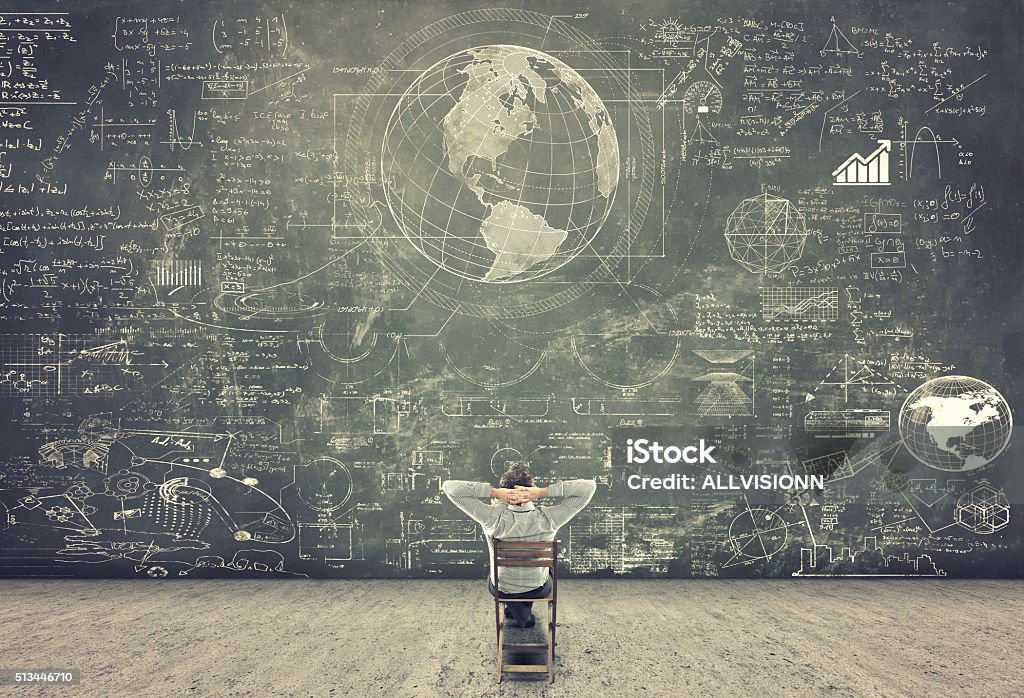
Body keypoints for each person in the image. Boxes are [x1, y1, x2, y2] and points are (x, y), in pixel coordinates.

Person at [441, 464, 596, 628]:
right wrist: (543, 492)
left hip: (502, 588)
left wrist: (494, 492)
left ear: (504, 494)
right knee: (547, 569)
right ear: (532, 490)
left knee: (497, 575)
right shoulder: (549, 519)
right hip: (537, 588)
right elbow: (589, 487)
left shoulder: (493, 518)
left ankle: (517, 610)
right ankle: (522, 612)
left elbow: (449, 487)